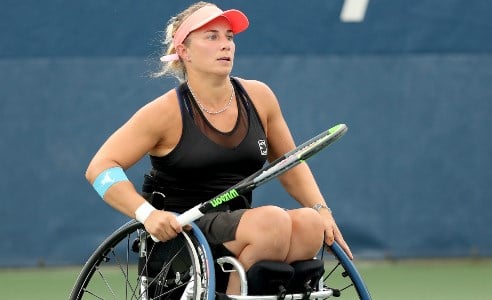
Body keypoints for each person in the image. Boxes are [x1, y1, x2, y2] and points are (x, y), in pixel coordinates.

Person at [84, 2, 353, 295]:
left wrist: (321, 209)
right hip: (183, 233)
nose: (225, 45)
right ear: (184, 52)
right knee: (272, 222)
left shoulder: (259, 97)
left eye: (229, 37)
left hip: (243, 226)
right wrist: (147, 214)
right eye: (211, 36)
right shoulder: (164, 113)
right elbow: (100, 168)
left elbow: (290, 164)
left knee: (310, 225)